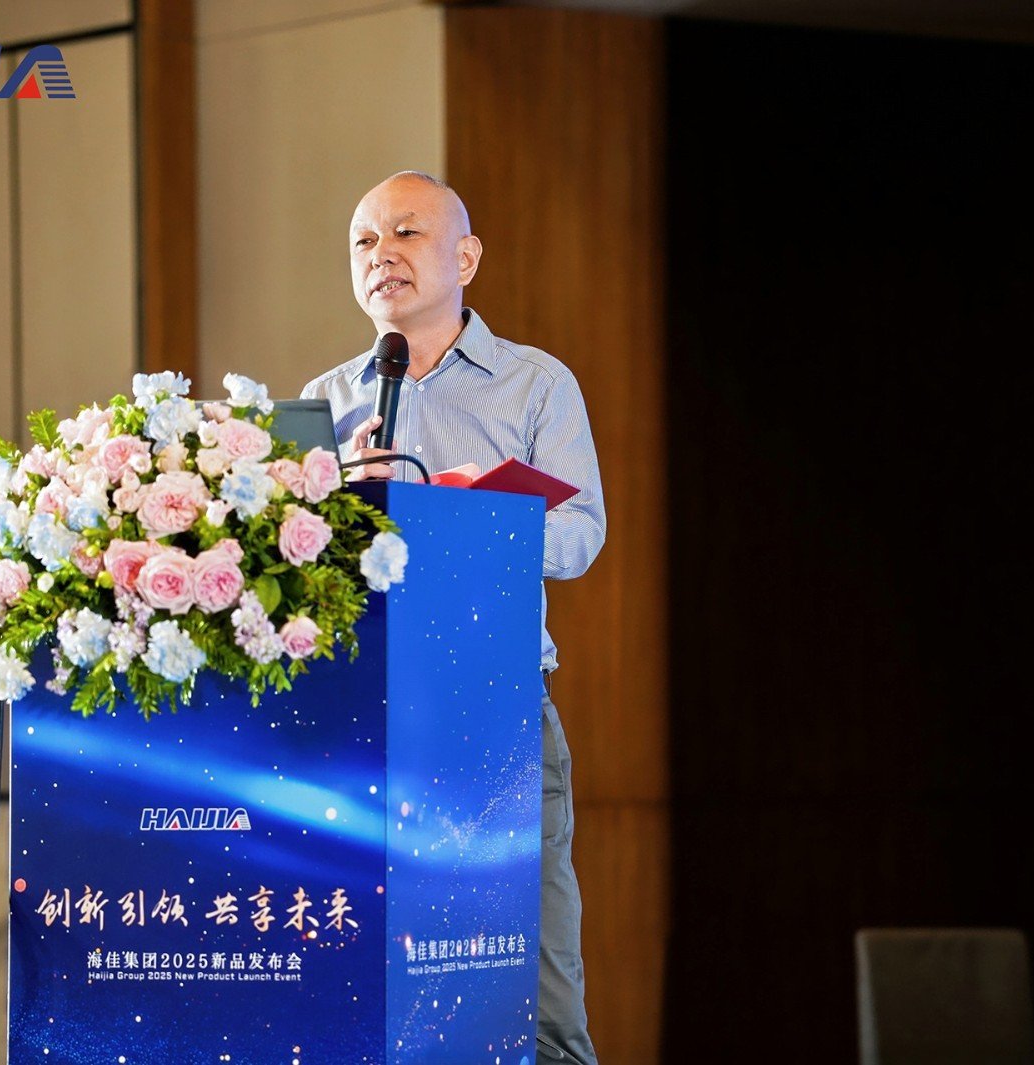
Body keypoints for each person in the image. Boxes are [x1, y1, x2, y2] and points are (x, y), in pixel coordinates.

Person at [301, 171, 606, 1065]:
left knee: (536, 995)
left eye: (406, 232)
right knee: (367, 987)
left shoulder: (535, 384)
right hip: (357, 722)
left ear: (465, 257)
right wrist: (343, 509)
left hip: (493, 712)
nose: (381, 254)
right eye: (363, 241)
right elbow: (296, 572)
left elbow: (580, 536)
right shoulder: (326, 399)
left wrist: (446, 515)